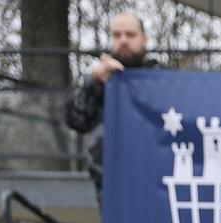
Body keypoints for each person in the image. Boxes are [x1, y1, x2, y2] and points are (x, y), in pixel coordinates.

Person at [63, 11, 161, 190]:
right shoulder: (100, 80)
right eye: (117, 35)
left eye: (130, 34)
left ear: (144, 39)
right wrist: (95, 82)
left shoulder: (162, 78)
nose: (123, 40)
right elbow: (75, 120)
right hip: (111, 186)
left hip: (156, 181)